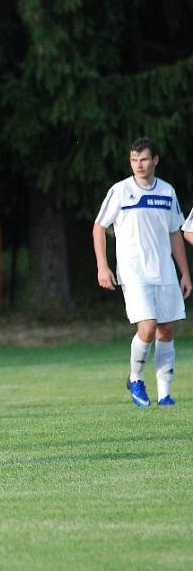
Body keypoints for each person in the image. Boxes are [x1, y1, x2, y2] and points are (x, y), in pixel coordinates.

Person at [93, 136, 191, 407]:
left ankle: (165, 394)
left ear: (155, 160)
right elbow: (99, 226)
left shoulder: (167, 192)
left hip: (164, 270)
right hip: (134, 271)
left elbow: (175, 233)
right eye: (134, 160)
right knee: (147, 326)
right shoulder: (121, 191)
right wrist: (103, 266)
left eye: (144, 159)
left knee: (166, 328)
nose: (138, 164)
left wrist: (184, 272)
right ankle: (136, 377)